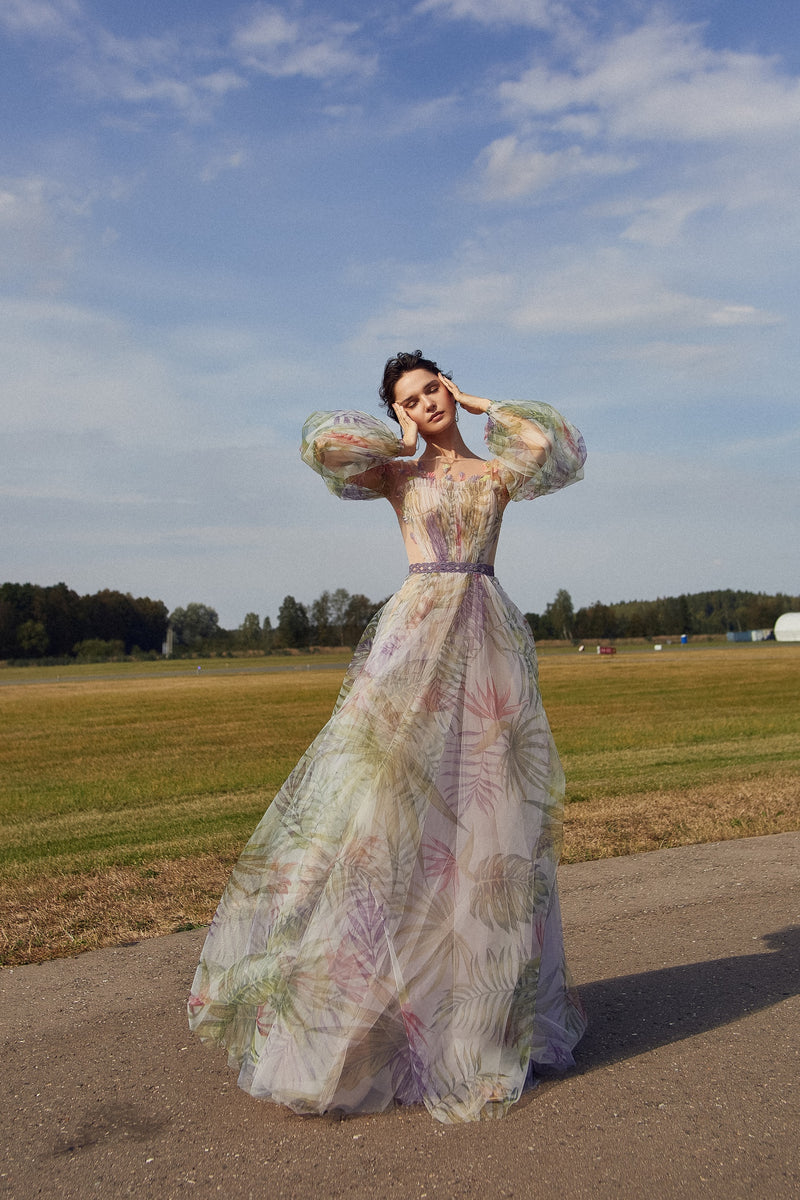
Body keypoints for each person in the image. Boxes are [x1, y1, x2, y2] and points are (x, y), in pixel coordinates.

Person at [188, 351, 588, 1124]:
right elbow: (327, 453)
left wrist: (481, 404)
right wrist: (399, 440)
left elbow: (554, 452)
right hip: (412, 642)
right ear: (400, 410)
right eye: (413, 397)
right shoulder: (399, 478)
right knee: (379, 810)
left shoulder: (495, 471)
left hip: (486, 642)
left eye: (433, 387)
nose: (428, 401)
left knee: (486, 820)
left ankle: (481, 1022)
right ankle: (357, 1013)